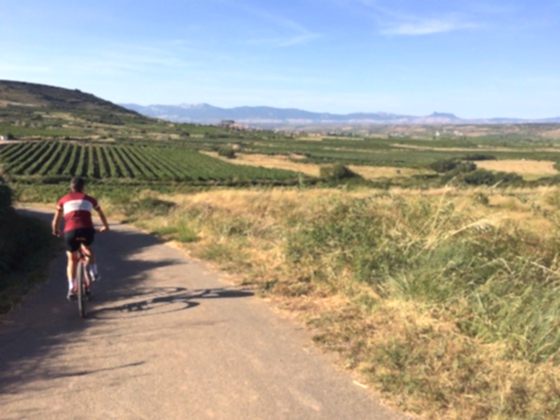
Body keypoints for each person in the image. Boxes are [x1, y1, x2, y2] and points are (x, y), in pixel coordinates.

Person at [52, 177, 109, 300]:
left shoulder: (63, 200)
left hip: (70, 232)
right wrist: (105, 226)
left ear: (71, 187)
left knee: (71, 259)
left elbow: (56, 219)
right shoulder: (90, 199)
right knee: (88, 248)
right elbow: (101, 213)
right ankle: (94, 272)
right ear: (83, 188)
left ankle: (71, 288)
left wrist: (55, 230)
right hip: (87, 230)